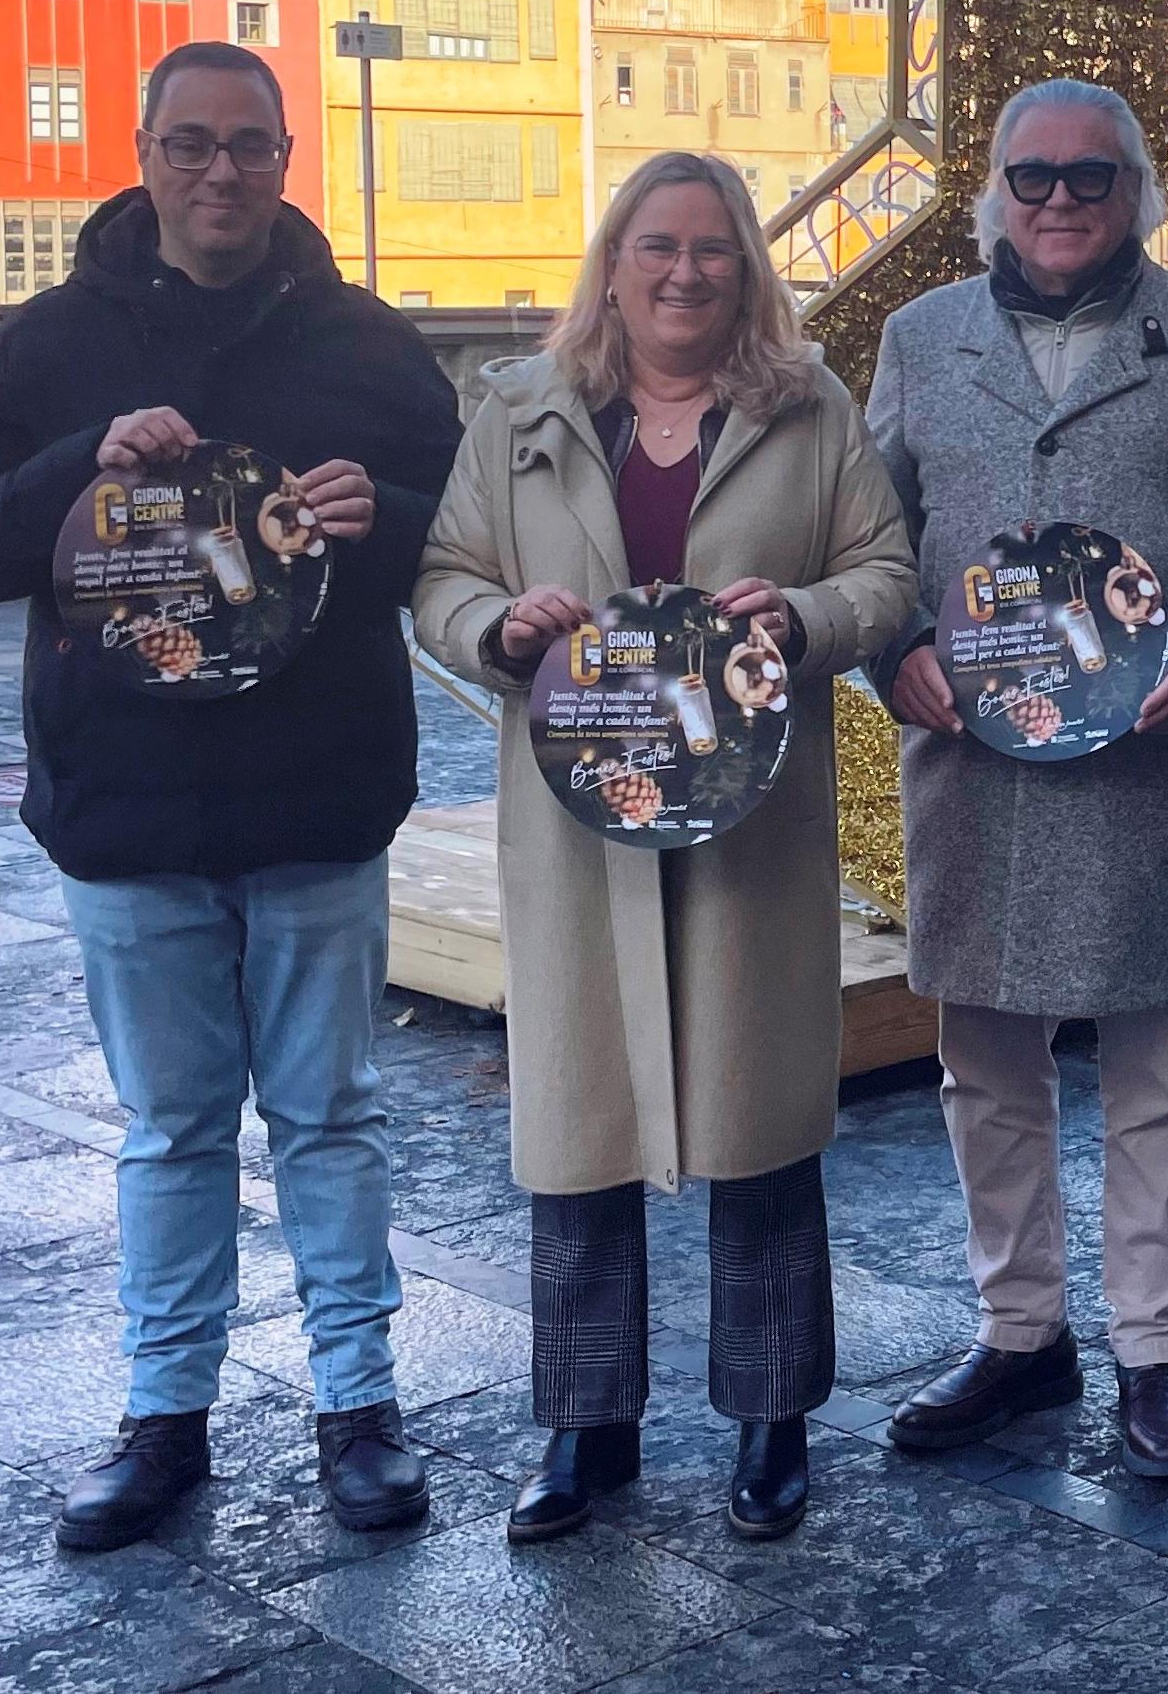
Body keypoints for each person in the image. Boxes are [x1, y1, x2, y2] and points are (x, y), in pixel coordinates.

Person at [0, 40, 465, 1553]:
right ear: (145, 155)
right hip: (127, 803)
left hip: (318, 794)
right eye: (192, 143)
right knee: (169, 1129)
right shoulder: (54, 342)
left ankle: (360, 1409)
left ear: (286, 159)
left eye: (250, 145)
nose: (223, 171)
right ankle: (165, 1419)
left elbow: (485, 541)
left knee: (332, 1117)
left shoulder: (364, 342)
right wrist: (77, 470)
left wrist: (385, 516)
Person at [412, 151, 916, 1548]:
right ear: (615, 262)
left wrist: (804, 618)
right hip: (581, 818)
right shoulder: (521, 409)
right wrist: (498, 629)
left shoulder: (808, 407)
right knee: (580, 1120)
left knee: (761, 1119)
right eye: (658, 246)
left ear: (746, 267)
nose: (685, 272)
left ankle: (772, 1416)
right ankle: (588, 1426)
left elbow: (887, 574)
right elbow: (445, 578)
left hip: (751, 816)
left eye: (712, 248)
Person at [867, 80, 1168, 1482]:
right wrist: (895, 650)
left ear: (1137, 193)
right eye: (1030, 176)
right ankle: (1020, 1333)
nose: (1057, 201)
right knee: (983, 1063)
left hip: (1146, 760)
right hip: (970, 760)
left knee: (1157, 1066)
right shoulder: (919, 339)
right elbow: (871, 539)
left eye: (1088, 178)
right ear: (994, 188)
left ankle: (1156, 1354)